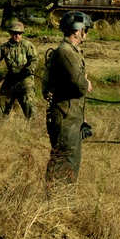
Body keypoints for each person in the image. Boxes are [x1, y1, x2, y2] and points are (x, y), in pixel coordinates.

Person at [41, 11, 92, 183]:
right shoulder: (66, 52)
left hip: (71, 113)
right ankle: (56, 200)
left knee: (71, 159)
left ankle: (64, 199)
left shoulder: (72, 51)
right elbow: (80, 85)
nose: (87, 33)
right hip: (65, 114)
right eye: (85, 29)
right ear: (77, 30)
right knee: (63, 157)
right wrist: (86, 84)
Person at [0, 20, 38, 120]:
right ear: (10, 33)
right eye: (15, 33)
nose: (17, 35)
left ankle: (34, 128)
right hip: (11, 78)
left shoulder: (27, 46)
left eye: (20, 33)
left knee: (29, 103)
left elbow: (34, 59)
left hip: (25, 79)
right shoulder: (4, 48)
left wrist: (29, 69)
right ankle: (2, 127)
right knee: (2, 101)